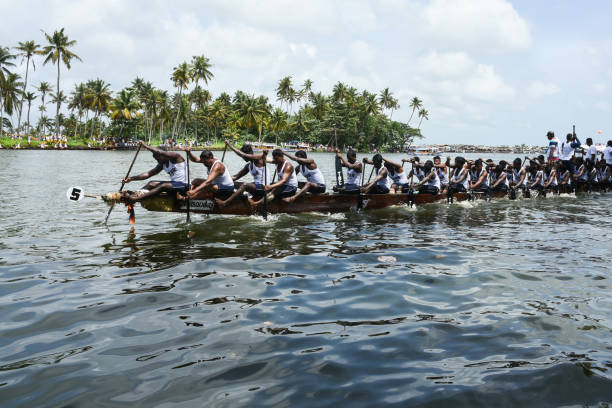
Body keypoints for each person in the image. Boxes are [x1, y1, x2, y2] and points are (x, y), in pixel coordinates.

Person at [122, 141, 188, 203]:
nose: (157, 160)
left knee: (163, 186)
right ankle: (136, 194)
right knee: (151, 183)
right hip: (174, 185)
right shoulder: (163, 164)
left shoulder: (176, 157)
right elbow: (148, 174)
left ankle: (135, 199)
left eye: (157, 158)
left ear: (164, 155)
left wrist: (146, 146)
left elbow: (159, 152)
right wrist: (131, 179)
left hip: (184, 185)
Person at [215, 141, 268, 208]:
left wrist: (229, 145)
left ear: (248, 153)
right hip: (256, 187)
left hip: (263, 187)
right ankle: (241, 199)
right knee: (232, 183)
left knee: (244, 185)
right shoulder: (248, 166)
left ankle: (225, 203)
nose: (243, 158)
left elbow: (243, 155)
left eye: (244, 156)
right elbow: (236, 176)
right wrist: (220, 180)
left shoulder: (258, 159)